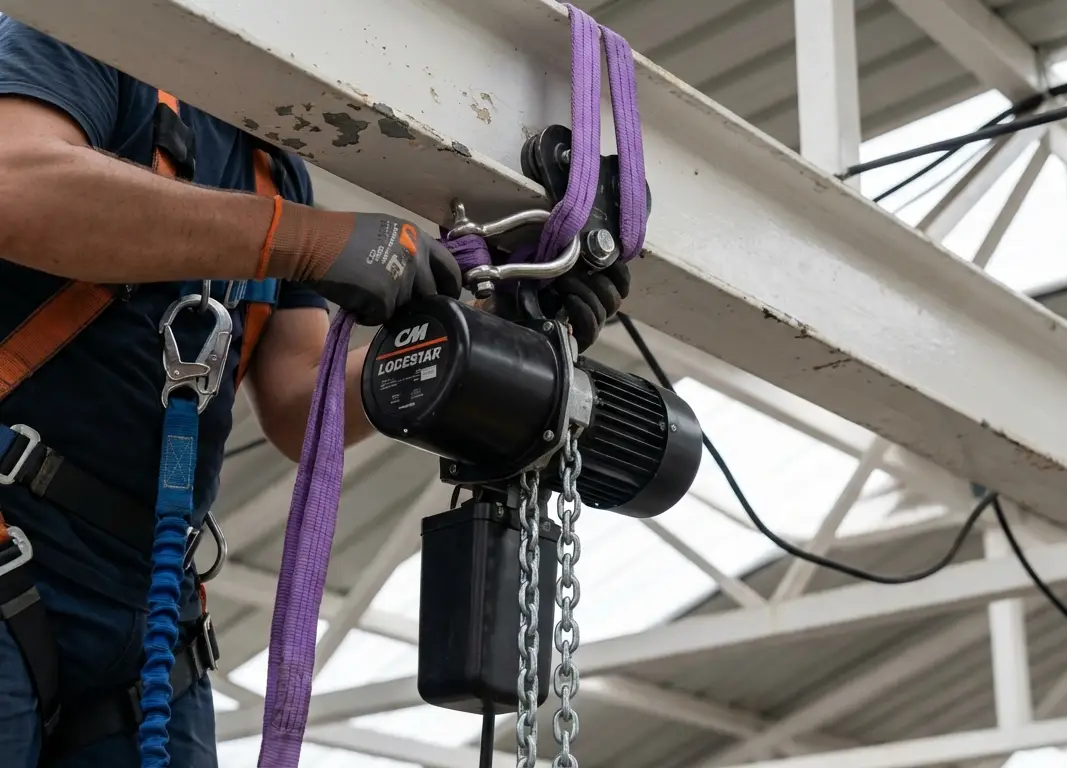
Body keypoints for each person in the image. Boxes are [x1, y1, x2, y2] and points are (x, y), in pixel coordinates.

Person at [0, 15, 627, 768]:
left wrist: (485, 329)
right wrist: (301, 239)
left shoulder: (271, 162)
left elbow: (300, 404)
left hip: (148, 604)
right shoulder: (94, 39)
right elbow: (17, 186)